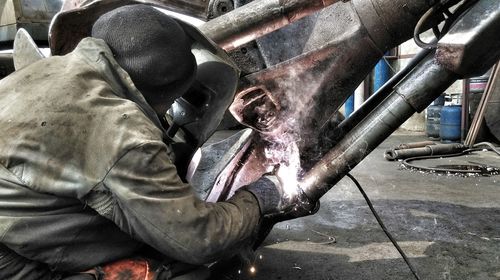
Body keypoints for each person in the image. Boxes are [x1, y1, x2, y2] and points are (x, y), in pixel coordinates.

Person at [0, 2, 316, 279]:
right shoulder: (124, 135)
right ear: (164, 99)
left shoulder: (46, 70)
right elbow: (200, 239)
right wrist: (260, 197)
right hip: (12, 263)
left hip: (17, 222)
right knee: (182, 268)